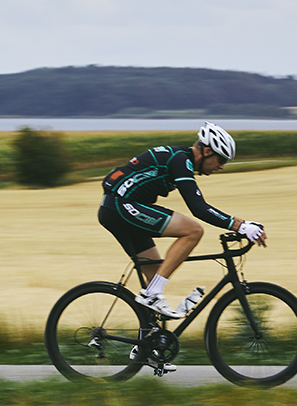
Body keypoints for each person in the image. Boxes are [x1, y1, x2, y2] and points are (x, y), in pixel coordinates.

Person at [99, 122, 266, 319]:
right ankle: (151, 295)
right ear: (206, 151)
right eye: (220, 159)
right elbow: (198, 207)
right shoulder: (180, 160)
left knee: (156, 277)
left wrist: (238, 223)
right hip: (121, 206)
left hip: (117, 208)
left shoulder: (180, 158)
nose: (221, 166)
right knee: (193, 231)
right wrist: (239, 225)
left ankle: (145, 346)